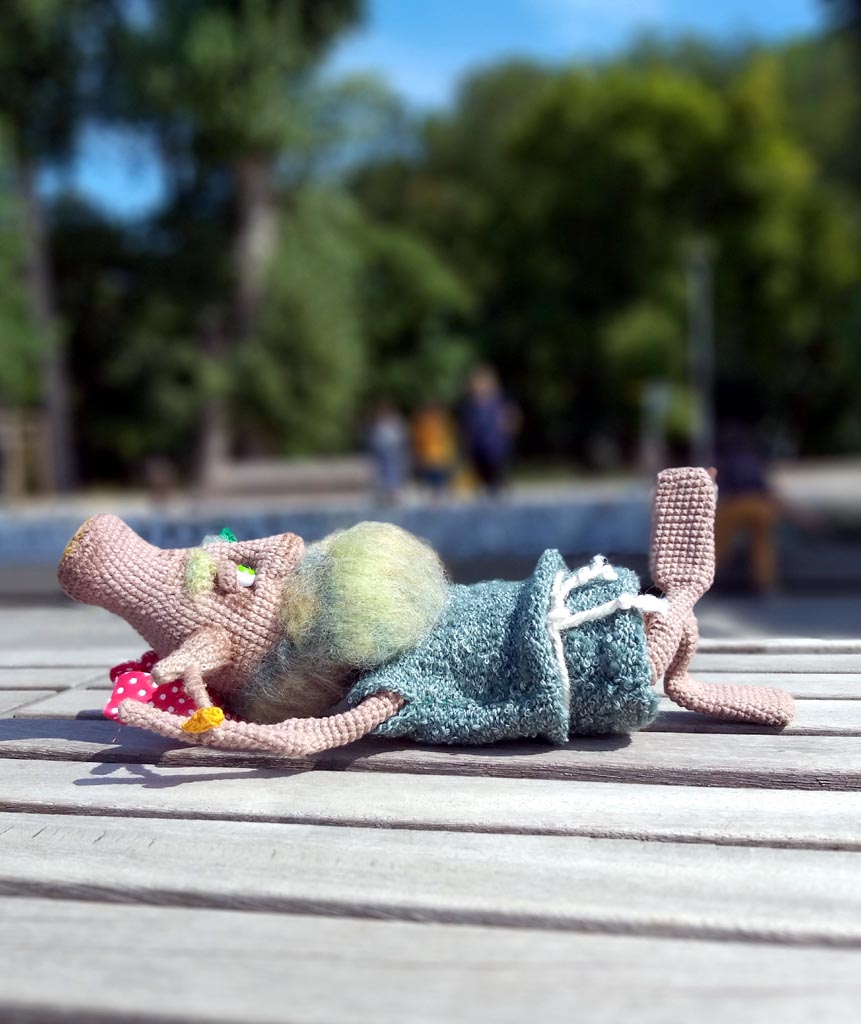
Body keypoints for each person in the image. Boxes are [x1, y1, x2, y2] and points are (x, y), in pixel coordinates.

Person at [714, 419, 779, 593]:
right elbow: (765, 489)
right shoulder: (754, 460)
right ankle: (765, 582)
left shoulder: (723, 459)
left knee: (717, 544)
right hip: (759, 506)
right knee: (762, 543)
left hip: (733, 504)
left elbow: (720, 488)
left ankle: (705, 579)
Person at [461, 366, 517, 494]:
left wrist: (508, 427)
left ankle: (499, 488)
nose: (478, 387)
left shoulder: (500, 400)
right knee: (481, 482)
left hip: (496, 449)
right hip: (477, 450)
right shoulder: (470, 404)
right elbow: (467, 427)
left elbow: (512, 417)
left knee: (497, 479)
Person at [411, 401, 457, 498]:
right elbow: (418, 442)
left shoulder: (443, 423)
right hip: (430, 460)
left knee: (438, 489)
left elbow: (448, 442)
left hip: (438, 460)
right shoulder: (422, 424)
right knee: (432, 489)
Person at [365, 401, 409, 504]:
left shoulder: (394, 420)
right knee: (381, 472)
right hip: (381, 450)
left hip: (392, 450)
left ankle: (392, 494)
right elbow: (373, 437)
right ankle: (384, 493)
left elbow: (401, 436)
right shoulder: (377, 421)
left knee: (392, 471)